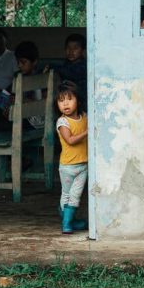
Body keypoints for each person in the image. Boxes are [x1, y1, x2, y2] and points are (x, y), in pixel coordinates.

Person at [56, 85, 88, 234]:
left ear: (78, 101)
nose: (65, 104)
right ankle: (67, 222)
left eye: (69, 99)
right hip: (67, 166)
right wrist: (87, 132)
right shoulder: (62, 122)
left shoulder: (84, 117)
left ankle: (69, 221)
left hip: (84, 165)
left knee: (76, 195)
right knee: (67, 194)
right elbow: (70, 140)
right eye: (61, 101)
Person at [56, 33, 87, 114]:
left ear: (83, 51)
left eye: (75, 48)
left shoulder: (84, 66)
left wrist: (53, 67)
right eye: (68, 48)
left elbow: (70, 72)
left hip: (82, 103)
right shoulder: (66, 64)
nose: (71, 51)